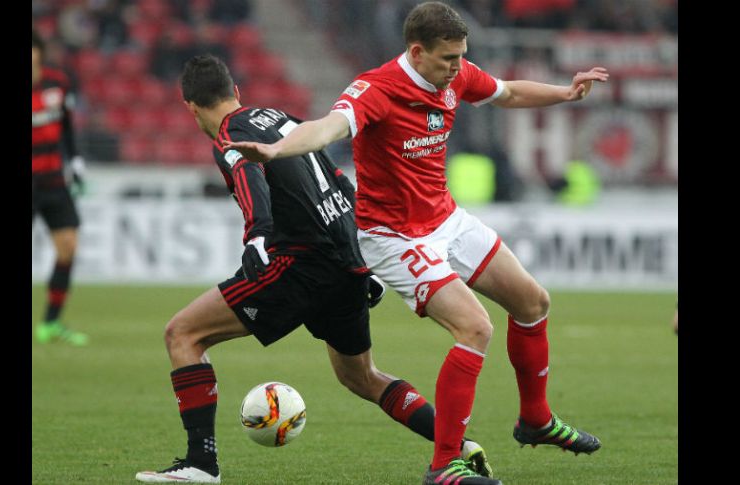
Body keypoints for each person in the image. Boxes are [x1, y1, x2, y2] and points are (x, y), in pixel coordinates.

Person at [225, 3, 608, 484]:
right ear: (416, 51)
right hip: (392, 236)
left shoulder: (455, 74)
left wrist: (565, 93)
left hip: (445, 219)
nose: (457, 67)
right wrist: (278, 150)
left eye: (460, 57)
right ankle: (445, 464)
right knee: (475, 328)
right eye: (449, 58)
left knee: (533, 301)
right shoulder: (376, 90)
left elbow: (507, 94)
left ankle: (535, 420)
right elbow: (327, 128)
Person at [135, 54, 496, 484]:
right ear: (236, 92)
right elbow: (341, 183)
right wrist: (367, 261)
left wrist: (257, 234)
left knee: (183, 334)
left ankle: (201, 464)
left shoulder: (230, 134)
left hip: (299, 266)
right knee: (359, 375)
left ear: (190, 107)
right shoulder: (280, 118)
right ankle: (455, 445)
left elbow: (250, 176)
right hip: (345, 264)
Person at [32, 29, 88, 346]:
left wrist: (76, 160)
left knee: (68, 248)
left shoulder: (57, 83)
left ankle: (51, 323)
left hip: (54, 180)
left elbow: (66, 126)